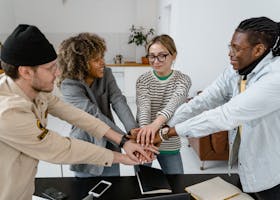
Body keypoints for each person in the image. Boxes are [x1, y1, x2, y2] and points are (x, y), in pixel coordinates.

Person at [0, 24, 157, 200]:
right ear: (26, 72)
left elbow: (80, 116)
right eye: (51, 68)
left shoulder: (35, 90)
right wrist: (121, 156)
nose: (58, 72)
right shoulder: (7, 112)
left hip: (23, 189)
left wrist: (124, 140)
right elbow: (60, 148)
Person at [139, 17, 280, 199]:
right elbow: (203, 100)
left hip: (274, 173)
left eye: (236, 48)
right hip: (248, 170)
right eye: (230, 46)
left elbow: (225, 115)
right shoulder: (237, 69)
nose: (230, 54)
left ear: (258, 49)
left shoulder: (275, 77)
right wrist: (161, 125)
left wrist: (166, 133)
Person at [57, 33, 138, 177]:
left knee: (114, 188)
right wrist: (124, 140)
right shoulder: (69, 85)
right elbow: (93, 115)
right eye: (96, 60)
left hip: (111, 143)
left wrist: (133, 130)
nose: (102, 63)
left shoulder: (106, 73)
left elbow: (118, 100)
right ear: (80, 64)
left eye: (102, 57)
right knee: (85, 190)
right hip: (86, 143)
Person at [136, 34, 192, 174]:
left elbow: (171, 107)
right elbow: (144, 110)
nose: (156, 61)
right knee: (141, 185)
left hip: (169, 142)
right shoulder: (143, 80)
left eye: (162, 55)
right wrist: (146, 139)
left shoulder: (183, 80)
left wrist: (154, 126)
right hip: (145, 142)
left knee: (177, 184)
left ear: (173, 55)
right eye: (152, 56)